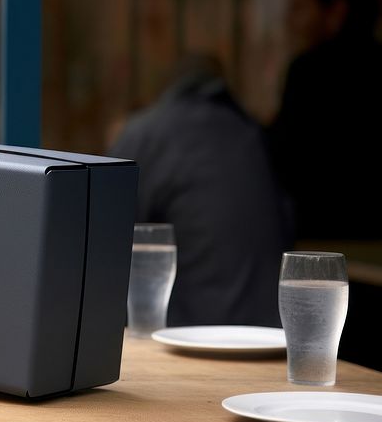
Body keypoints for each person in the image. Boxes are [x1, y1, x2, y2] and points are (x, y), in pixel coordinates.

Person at [110, 55, 293, 327]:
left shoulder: (145, 135)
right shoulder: (254, 135)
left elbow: (105, 240)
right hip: (270, 335)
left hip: (188, 338)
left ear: (165, 88)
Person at [269, 0, 382, 239]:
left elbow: (287, 158)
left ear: (336, 11)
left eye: (299, 7)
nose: (289, 19)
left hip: (323, 238)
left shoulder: (308, 72)